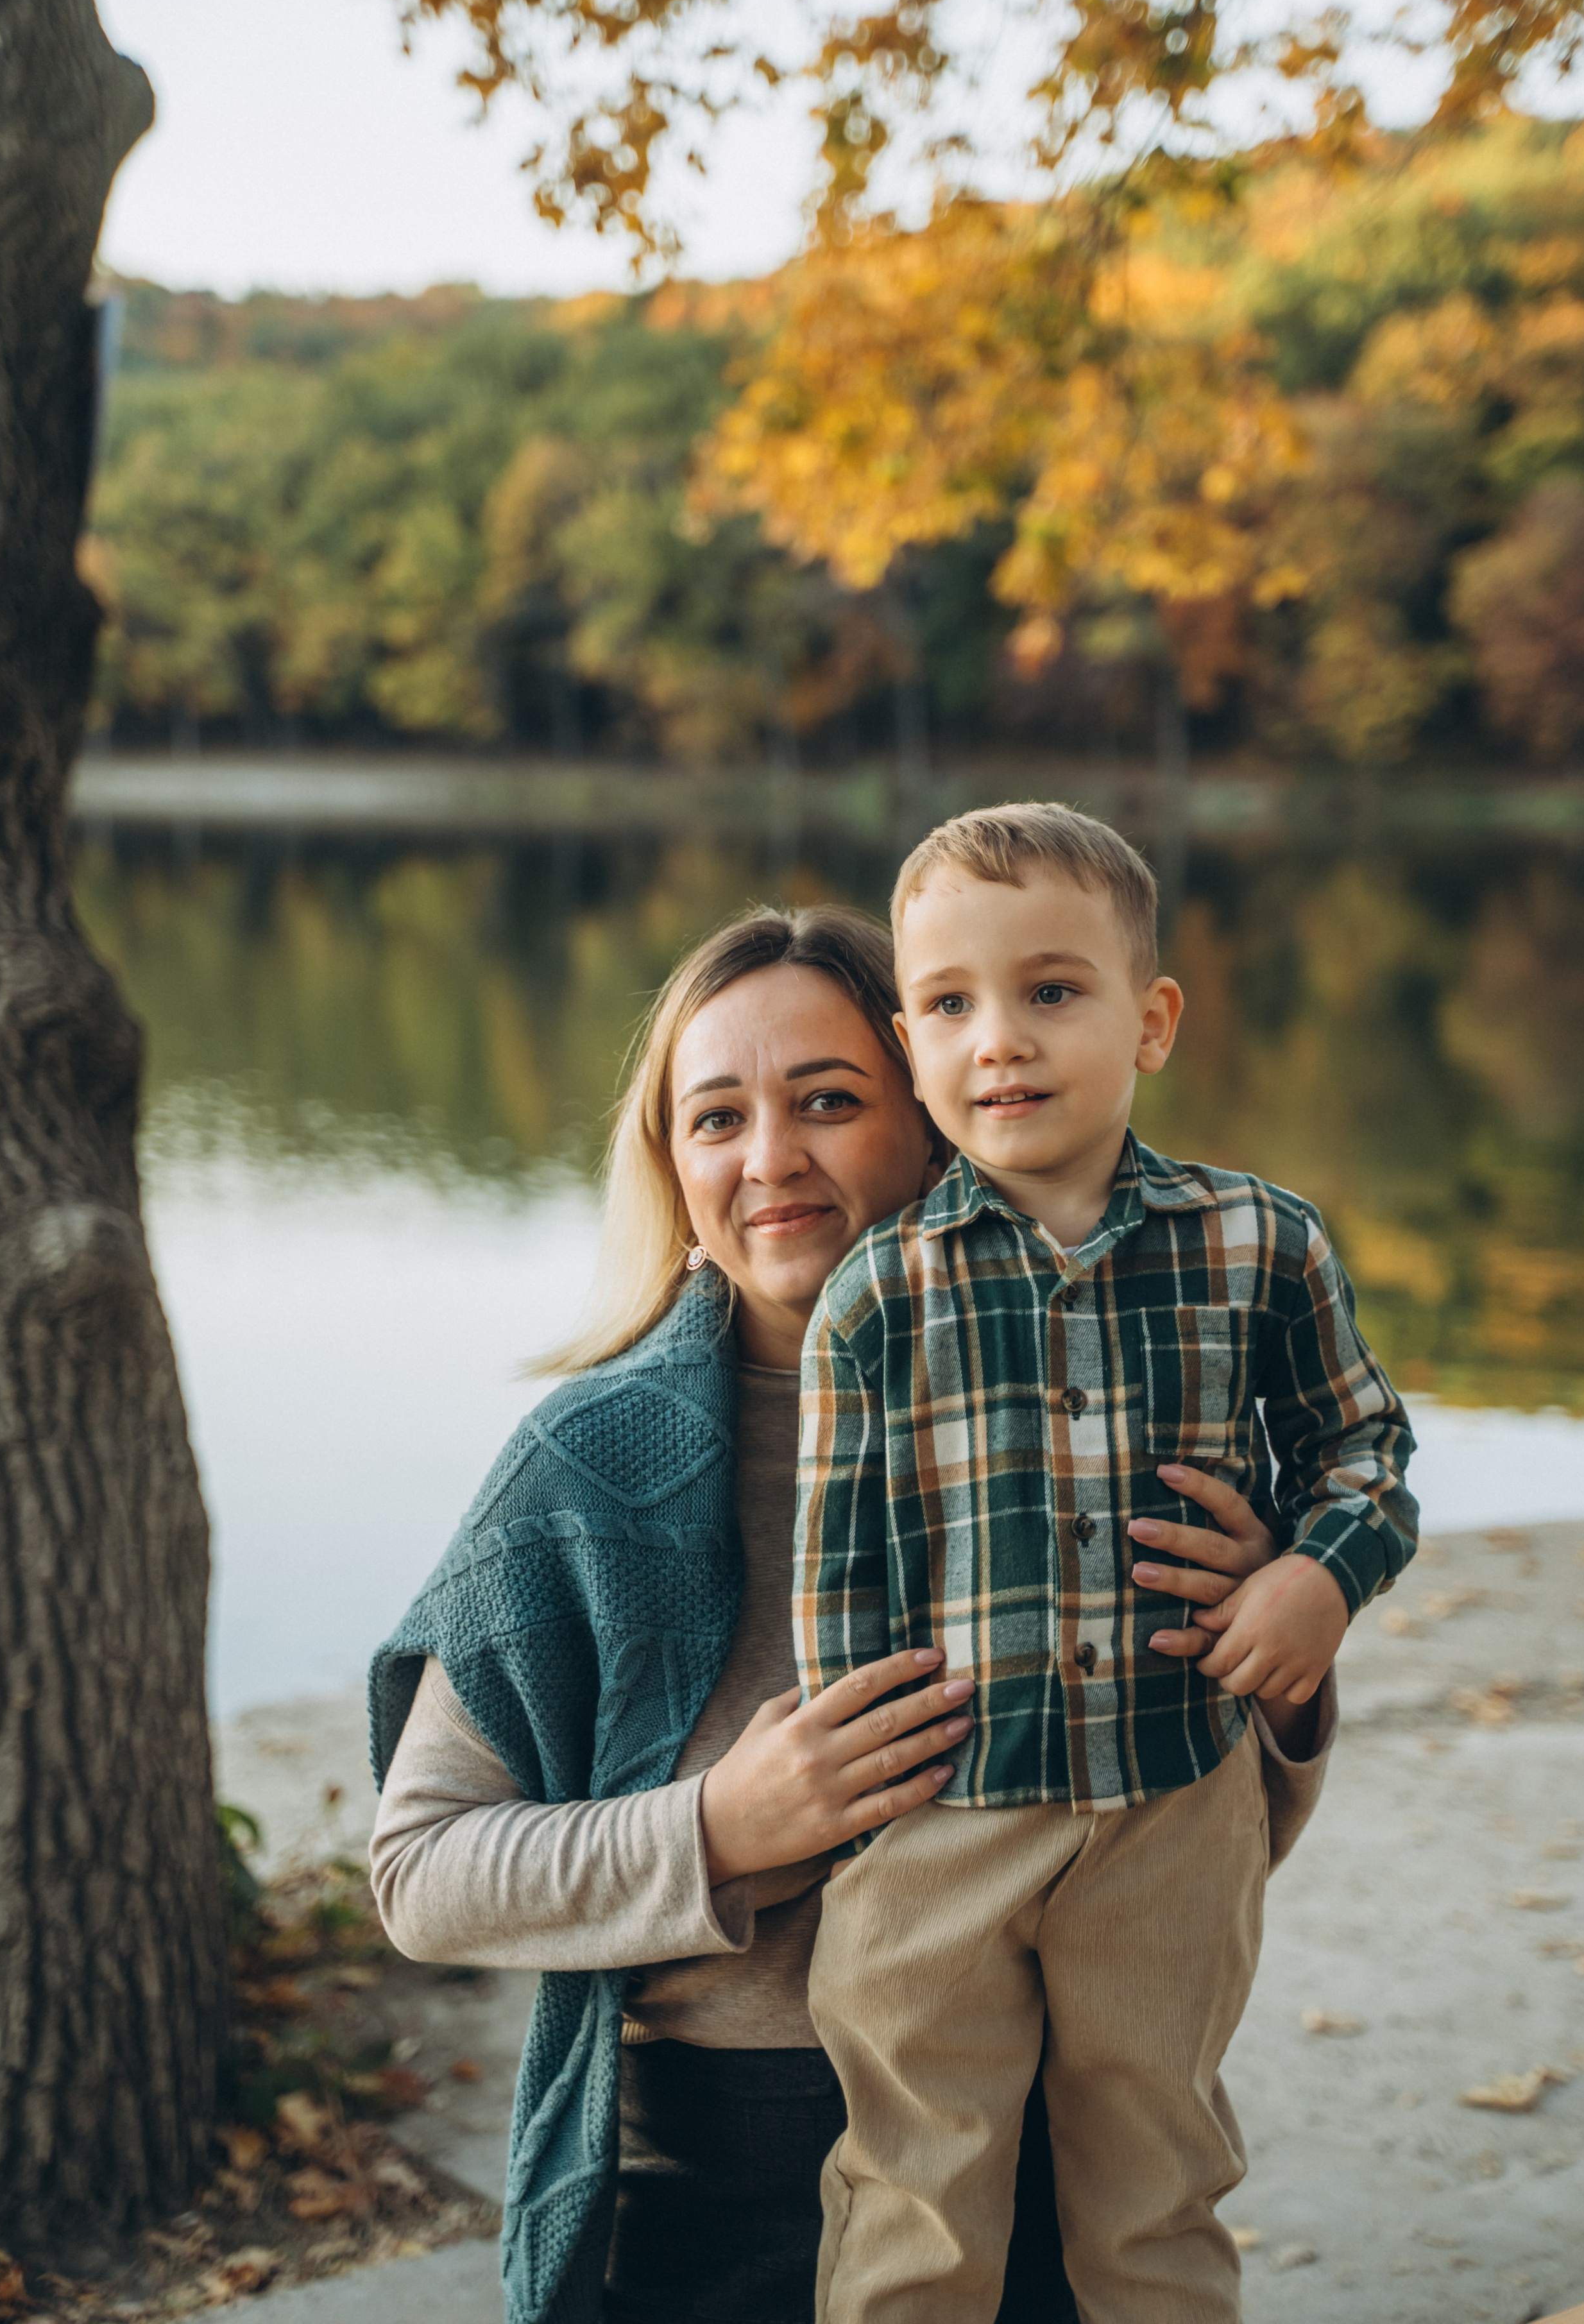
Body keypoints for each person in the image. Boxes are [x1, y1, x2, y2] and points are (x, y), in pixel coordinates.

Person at [368, 903, 1336, 2324]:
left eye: (826, 1102)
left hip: (1043, 2153)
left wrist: (1277, 1672)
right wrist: (721, 1829)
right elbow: (420, 1875)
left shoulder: (1109, 1406)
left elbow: (1211, 1846)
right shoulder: (590, 1469)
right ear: (671, 1165)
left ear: (938, 1109)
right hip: (708, 2190)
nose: (769, 1160)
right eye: (716, 1119)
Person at [793, 807, 1418, 2324]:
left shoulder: (1257, 1244)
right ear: (906, 1041)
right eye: (948, 1006)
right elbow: (840, 1593)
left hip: (1171, 1805)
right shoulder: (878, 1295)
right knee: (913, 2209)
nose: (997, 1042)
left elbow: (1365, 1453)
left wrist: (1315, 1578)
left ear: (1148, 1024)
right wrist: (865, 1827)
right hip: (939, 1823)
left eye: (1050, 993)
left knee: (1154, 2188)